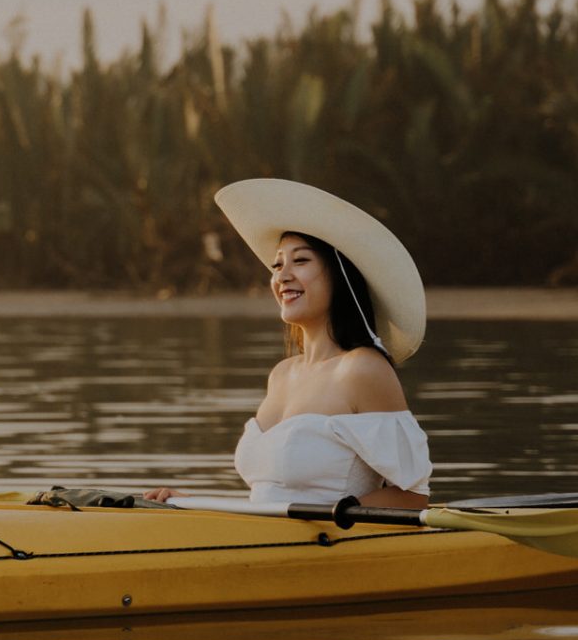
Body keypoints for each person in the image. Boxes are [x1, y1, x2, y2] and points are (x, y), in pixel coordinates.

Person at [145, 178, 432, 509]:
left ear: (340, 276)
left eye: (301, 260)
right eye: (277, 264)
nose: (282, 276)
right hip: (271, 539)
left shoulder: (363, 369)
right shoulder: (282, 374)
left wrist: (328, 518)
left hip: (328, 546)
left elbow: (412, 496)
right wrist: (199, 503)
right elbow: (276, 496)